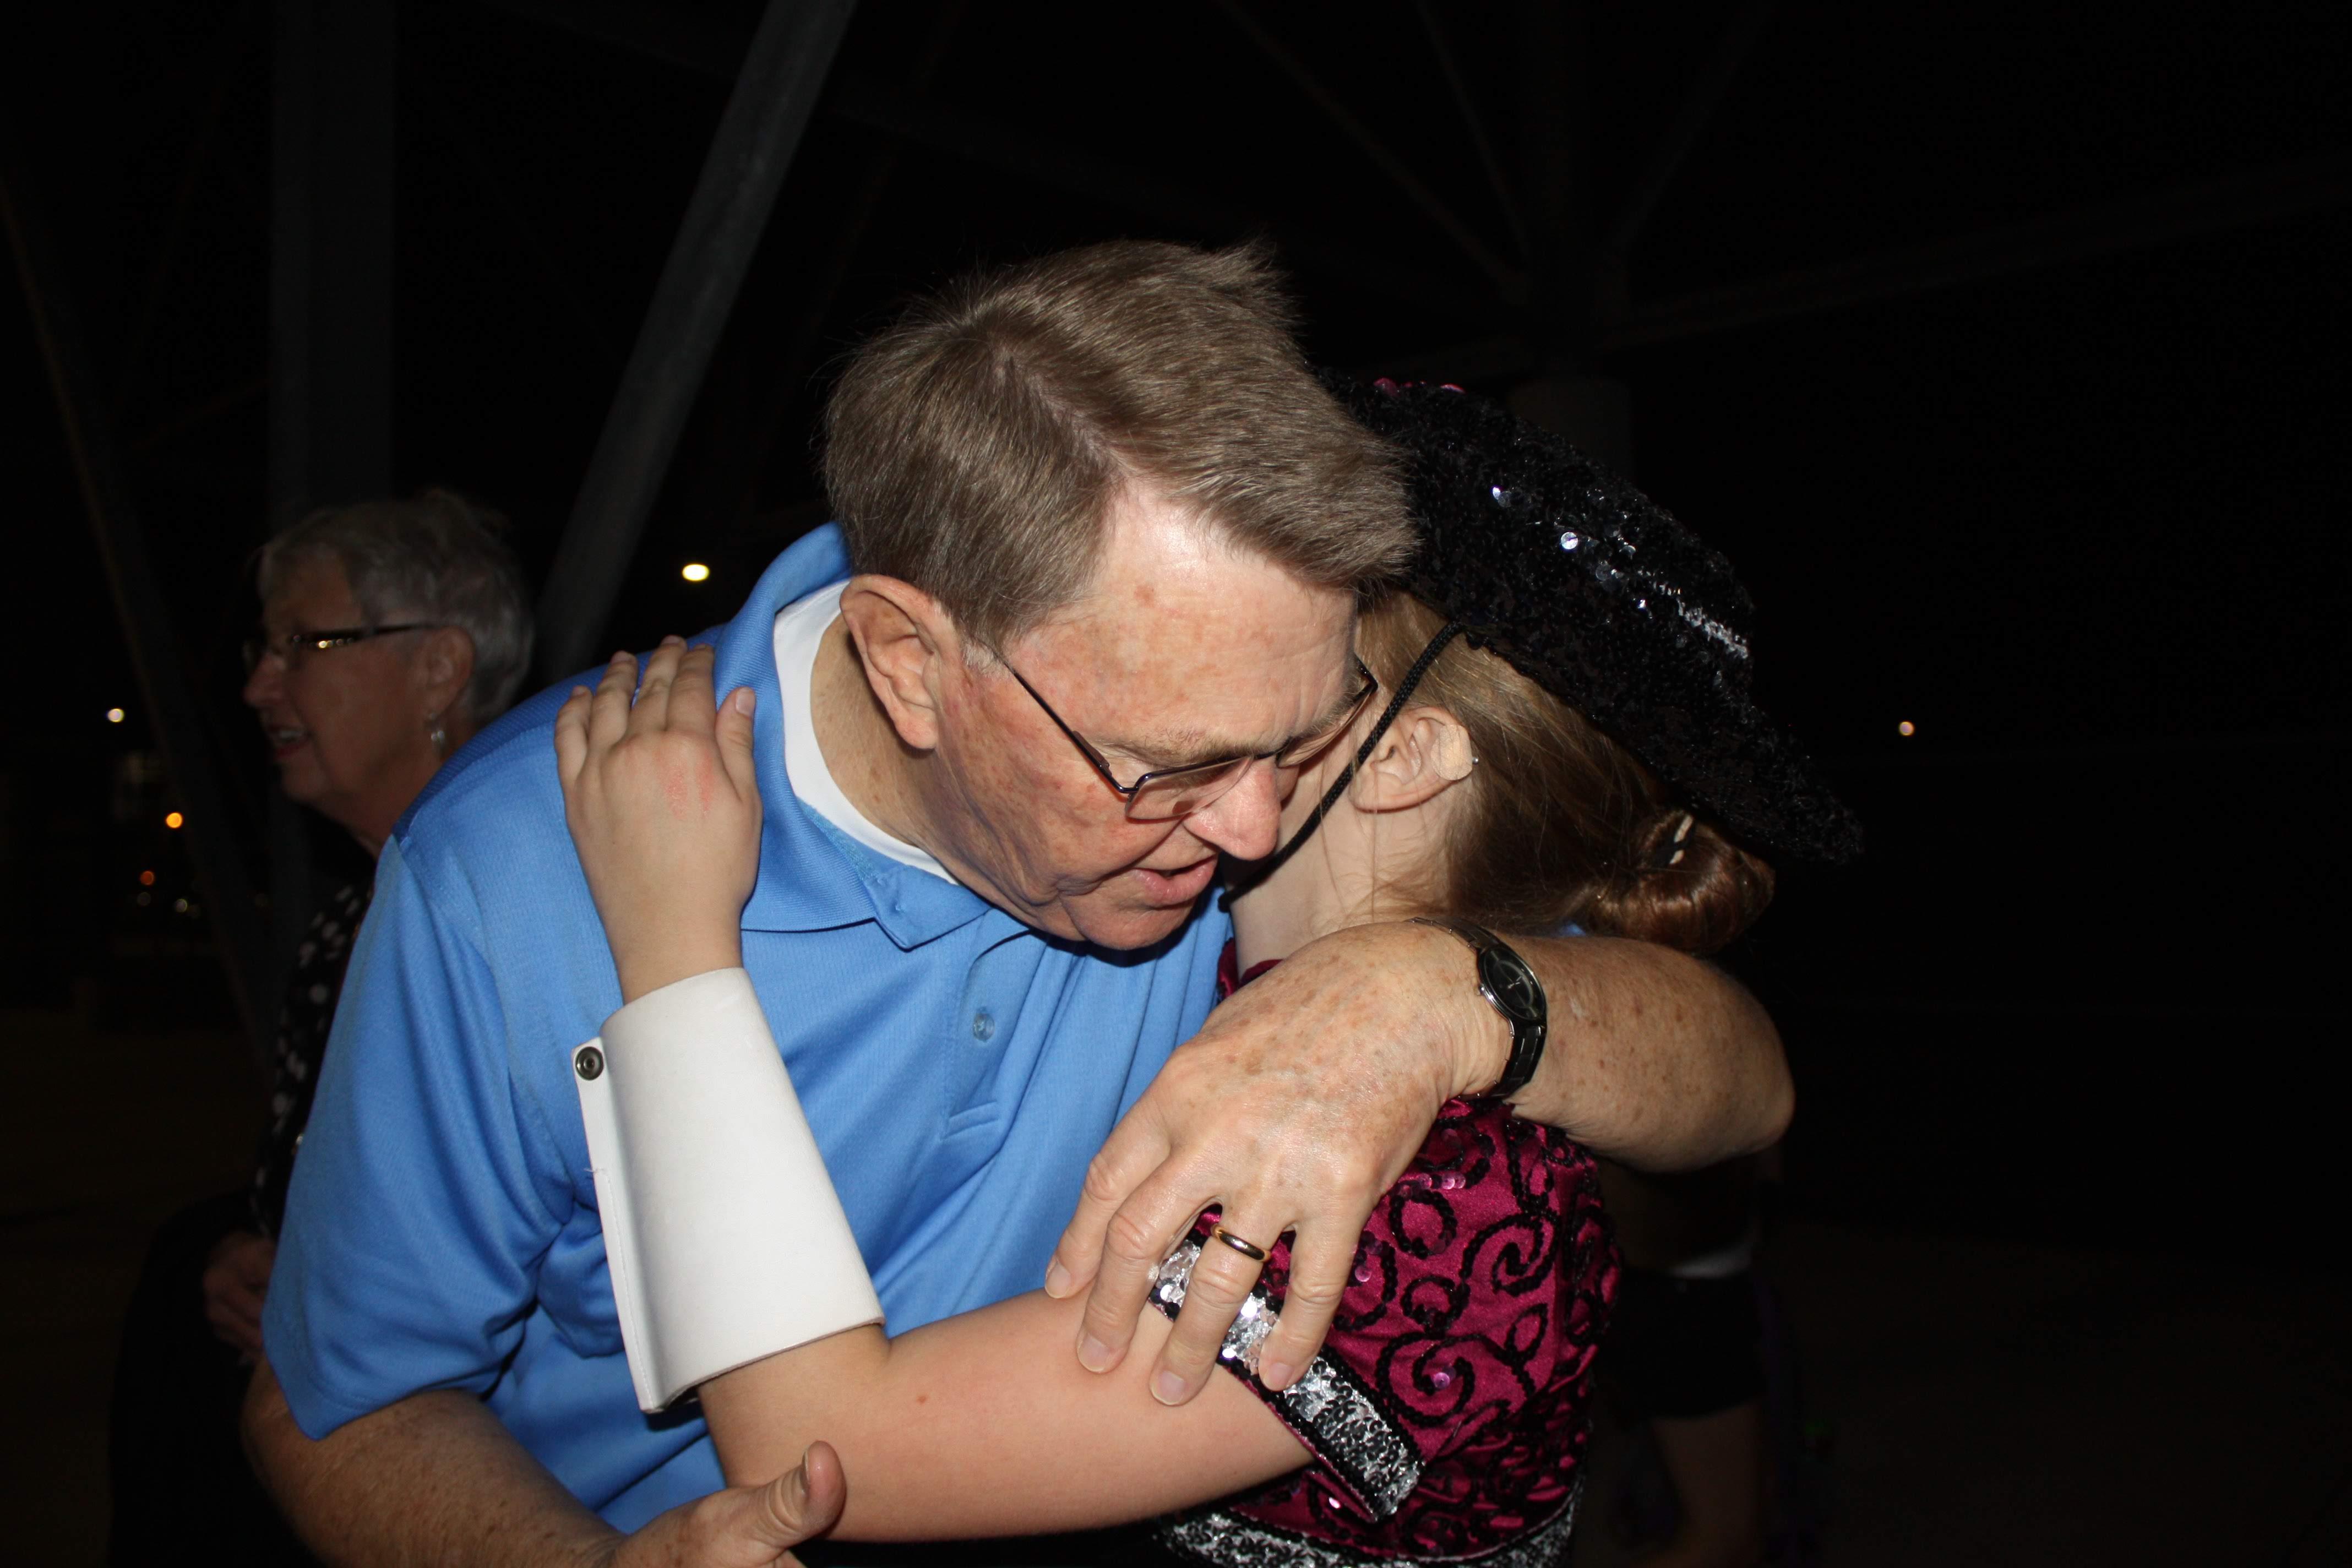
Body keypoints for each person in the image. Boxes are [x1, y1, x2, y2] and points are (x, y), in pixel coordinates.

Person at [242, 242, 1800, 1565]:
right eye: (1170, 766)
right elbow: (341, 1404)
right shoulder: (514, 876)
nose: (1248, 824)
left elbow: (1735, 1076)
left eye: (1301, 737)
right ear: (914, 665)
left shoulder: (1284, 901)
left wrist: (1444, 996)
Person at [547, 373, 1859, 1564]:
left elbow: (821, 1455)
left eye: (1301, 662)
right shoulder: (1248, 935)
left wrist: (670, 948)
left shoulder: (1430, 1202)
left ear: (1405, 754)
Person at [106, 491, 532, 1564]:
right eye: (267, 646)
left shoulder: (528, 906)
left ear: (439, 667)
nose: (259, 683)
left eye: (307, 642)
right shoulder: (354, 914)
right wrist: (258, 1248)